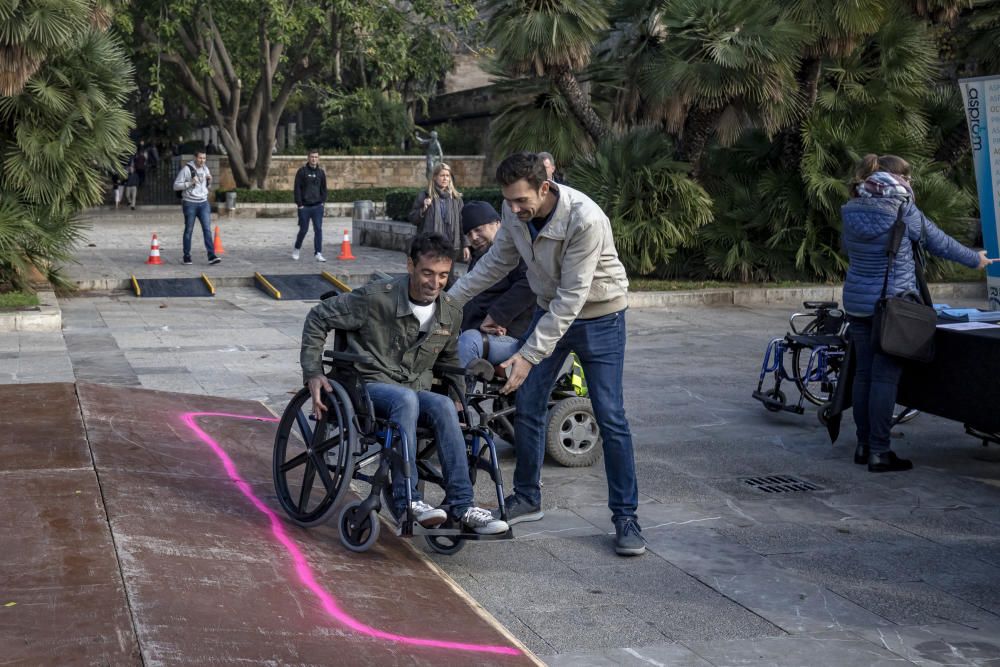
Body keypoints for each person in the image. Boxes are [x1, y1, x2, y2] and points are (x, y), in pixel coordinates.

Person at [447, 152, 644, 557]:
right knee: (529, 403)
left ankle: (626, 517)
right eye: (510, 201)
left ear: (544, 187)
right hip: (548, 307)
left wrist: (529, 354)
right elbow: (493, 267)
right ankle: (527, 497)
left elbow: (573, 297)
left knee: (610, 414)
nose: (515, 210)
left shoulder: (584, 219)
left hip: (599, 316)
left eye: (522, 201)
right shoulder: (513, 210)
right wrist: (447, 305)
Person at [299, 232, 509, 535]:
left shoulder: (450, 311)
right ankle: (408, 499)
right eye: (427, 273)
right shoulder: (375, 298)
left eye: (442, 276)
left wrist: (459, 399)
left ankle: (462, 505)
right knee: (405, 400)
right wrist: (314, 372)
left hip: (413, 388)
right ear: (410, 265)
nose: (434, 283)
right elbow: (318, 317)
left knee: (442, 404)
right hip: (367, 387)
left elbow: (448, 362)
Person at [842, 153, 996, 472]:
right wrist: (974, 259)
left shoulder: (852, 207)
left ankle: (863, 445)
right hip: (892, 305)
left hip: (857, 302)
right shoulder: (901, 208)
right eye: (907, 176)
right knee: (884, 377)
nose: (910, 182)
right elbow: (937, 241)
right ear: (894, 178)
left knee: (864, 374)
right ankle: (880, 452)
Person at [456, 201, 535, 377]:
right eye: (469, 234)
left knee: (468, 343)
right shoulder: (480, 260)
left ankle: (455, 403)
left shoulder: (516, 252)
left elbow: (529, 284)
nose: (474, 237)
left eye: (478, 229)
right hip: (478, 331)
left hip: (516, 335)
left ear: (498, 223)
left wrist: (498, 318)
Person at [408, 162, 469, 263]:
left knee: (448, 276)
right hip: (429, 245)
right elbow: (413, 219)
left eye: (447, 176)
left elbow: (462, 224)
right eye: (442, 175)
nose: (445, 178)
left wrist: (466, 245)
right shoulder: (425, 195)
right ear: (435, 177)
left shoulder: (456, 199)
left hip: (450, 246)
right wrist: (423, 209)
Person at [172, 149, 221, 266]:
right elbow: (175, 186)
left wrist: (209, 181)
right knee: (189, 230)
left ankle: (211, 255)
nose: (202, 160)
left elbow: (205, 187)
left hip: (203, 203)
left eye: (204, 158)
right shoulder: (186, 169)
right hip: (190, 203)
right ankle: (187, 256)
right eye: (200, 158)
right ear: (195, 157)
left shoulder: (205, 169)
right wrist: (189, 183)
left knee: (207, 230)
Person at [292, 149, 328, 262]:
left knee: (318, 229)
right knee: (303, 230)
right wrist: (300, 205)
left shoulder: (321, 173)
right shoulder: (302, 171)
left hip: (317, 207)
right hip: (305, 207)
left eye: (316, 157)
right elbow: (297, 189)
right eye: (312, 157)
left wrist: (322, 202)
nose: (314, 159)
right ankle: (297, 249)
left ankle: (318, 253)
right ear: (308, 158)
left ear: (318, 159)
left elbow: (324, 189)